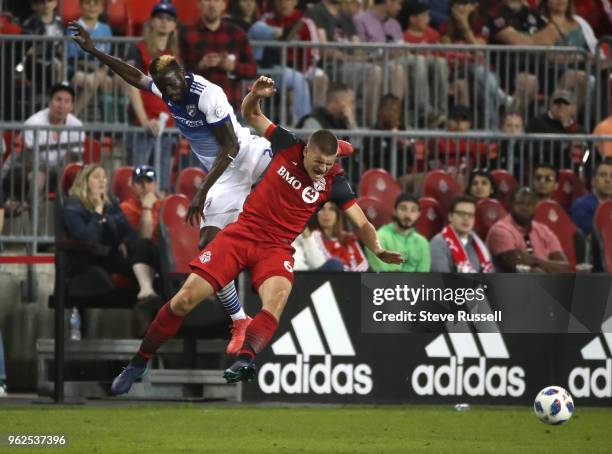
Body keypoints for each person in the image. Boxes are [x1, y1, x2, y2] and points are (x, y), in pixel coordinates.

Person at [109, 76, 402, 394]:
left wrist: (376, 247)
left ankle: (244, 361)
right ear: (306, 152)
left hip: (276, 249)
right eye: (318, 162)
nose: (321, 169)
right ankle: (139, 362)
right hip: (242, 234)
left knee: (274, 302)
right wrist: (254, 95)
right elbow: (251, 115)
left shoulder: (335, 180)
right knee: (183, 300)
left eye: (328, 164)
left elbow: (360, 222)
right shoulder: (288, 144)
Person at [69, 21, 269, 354]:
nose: (170, 91)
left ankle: (329, 168)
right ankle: (240, 319)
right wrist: (94, 51)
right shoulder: (166, 86)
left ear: (182, 72)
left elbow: (231, 146)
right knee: (208, 249)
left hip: (245, 153)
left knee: (291, 161)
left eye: (173, 84)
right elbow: (134, 76)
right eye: (164, 87)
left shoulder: (208, 94)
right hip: (224, 177)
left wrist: (202, 190)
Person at [62, 164, 162, 305]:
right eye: (96, 177)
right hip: (85, 261)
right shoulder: (73, 204)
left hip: (109, 257)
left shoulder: (110, 203)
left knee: (144, 246)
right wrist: (97, 212)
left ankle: (147, 292)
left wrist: (125, 243)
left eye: (104, 178)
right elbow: (86, 237)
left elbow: (128, 233)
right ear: (84, 181)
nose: (102, 181)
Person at [125, 1, 179, 193]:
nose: (164, 23)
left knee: (162, 185)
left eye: (169, 19)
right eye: (160, 18)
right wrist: (144, 121)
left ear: (174, 25)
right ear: (152, 22)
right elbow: (132, 86)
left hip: (168, 128)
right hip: (142, 126)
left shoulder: (176, 54)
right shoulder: (138, 49)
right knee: (137, 183)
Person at [179, 0, 257, 113]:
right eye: (207, 1)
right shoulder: (185, 33)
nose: (211, 5)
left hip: (231, 106)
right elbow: (176, 71)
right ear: (199, 5)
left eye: (216, 1)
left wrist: (233, 67)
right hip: (196, 108)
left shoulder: (237, 34)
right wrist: (200, 66)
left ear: (223, 5)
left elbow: (253, 70)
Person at [486, 187, 572, 273]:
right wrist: (548, 267)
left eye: (529, 204)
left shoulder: (544, 230)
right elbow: (516, 266)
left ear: (536, 206)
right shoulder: (500, 230)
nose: (525, 208)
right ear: (510, 205)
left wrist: (535, 261)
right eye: (520, 203)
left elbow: (566, 268)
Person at [23, 83, 84, 196]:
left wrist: (63, 172)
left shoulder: (77, 125)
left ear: (71, 106)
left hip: (61, 168)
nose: (61, 105)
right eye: (58, 100)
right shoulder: (33, 123)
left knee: (78, 177)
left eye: (67, 101)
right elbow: (29, 158)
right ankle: (37, 213)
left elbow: (74, 158)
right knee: (37, 179)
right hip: (34, 168)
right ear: (49, 102)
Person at [119, 166, 163, 303]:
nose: (145, 186)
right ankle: (146, 291)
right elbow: (145, 237)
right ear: (132, 185)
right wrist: (147, 208)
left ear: (155, 185)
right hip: (137, 258)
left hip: (161, 257)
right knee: (143, 244)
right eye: (140, 182)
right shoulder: (125, 208)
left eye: (149, 182)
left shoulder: (164, 206)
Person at [65, 0, 114, 117]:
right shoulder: (73, 28)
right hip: (77, 70)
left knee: (109, 82)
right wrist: (97, 70)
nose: (92, 6)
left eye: (96, 3)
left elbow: (108, 56)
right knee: (92, 82)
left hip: (99, 71)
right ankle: (71, 117)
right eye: (87, 3)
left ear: (102, 8)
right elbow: (73, 58)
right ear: (81, 7)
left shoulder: (106, 29)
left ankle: (108, 123)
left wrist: (103, 71)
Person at [365, 193, 430, 272]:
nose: (408, 215)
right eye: (403, 209)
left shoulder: (422, 242)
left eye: (413, 210)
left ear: (418, 214)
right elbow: (381, 275)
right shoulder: (378, 238)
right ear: (394, 211)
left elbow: (424, 276)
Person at [430, 195, 494, 272]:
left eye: (470, 215)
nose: (466, 218)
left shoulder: (480, 246)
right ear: (450, 216)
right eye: (461, 214)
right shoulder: (438, 243)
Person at [525, 89, 586, 169]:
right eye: (557, 102)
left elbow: (585, 156)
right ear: (549, 105)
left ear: (574, 108)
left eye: (566, 103)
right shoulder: (536, 124)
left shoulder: (580, 131)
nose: (561, 106)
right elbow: (532, 151)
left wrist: (567, 126)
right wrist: (562, 146)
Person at [311, 201, 368, 271]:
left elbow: (363, 264)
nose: (326, 214)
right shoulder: (313, 237)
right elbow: (324, 261)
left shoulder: (349, 238)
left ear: (337, 214)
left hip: (352, 279)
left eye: (331, 209)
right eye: (322, 209)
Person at [570, 159, 612, 235]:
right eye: (603, 175)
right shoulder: (580, 205)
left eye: (611, 176)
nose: (608, 180)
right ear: (593, 181)